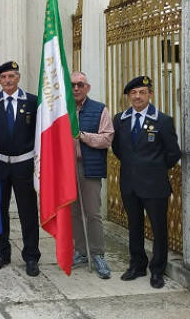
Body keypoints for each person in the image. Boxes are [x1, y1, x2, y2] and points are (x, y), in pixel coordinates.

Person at [112, 76, 181, 289]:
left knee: (159, 227)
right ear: (128, 96)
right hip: (129, 184)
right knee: (135, 225)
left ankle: (157, 270)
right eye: (133, 93)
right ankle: (137, 264)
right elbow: (118, 149)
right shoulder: (120, 120)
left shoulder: (162, 121)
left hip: (154, 184)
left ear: (150, 94)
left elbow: (173, 153)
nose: (137, 96)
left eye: (142, 92)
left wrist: (154, 168)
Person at [0, 61, 40, 277]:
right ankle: (2, 253)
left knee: (27, 212)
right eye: (3, 77)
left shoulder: (33, 102)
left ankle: (31, 256)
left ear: (18, 78)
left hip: (24, 164)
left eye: (11, 76)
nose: (8, 80)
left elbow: (39, 133)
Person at [70, 71, 114, 279]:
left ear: (87, 87)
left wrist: (83, 136)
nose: (76, 89)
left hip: (89, 167)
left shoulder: (99, 109)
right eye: (72, 85)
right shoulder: (63, 110)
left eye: (80, 84)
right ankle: (80, 251)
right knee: (74, 213)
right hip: (68, 169)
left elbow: (106, 138)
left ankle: (98, 254)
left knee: (93, 213)